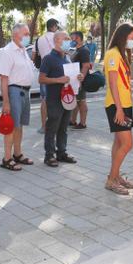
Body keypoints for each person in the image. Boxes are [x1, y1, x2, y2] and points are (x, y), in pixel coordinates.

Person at [103, 23, 133, 195]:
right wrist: (118, 109)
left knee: (119, 142)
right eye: (132, 37)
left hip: (124, 105)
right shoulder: (113, 54)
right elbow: (112, 83)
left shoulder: (122, 54)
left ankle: (115, 176)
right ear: (123, 36)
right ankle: (111, 180)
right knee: (127, 144)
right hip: (117, 106)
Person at [39, 30, 82, 167]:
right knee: (52, 127)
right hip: (54, 99)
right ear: (57, 40)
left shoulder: (67, 57)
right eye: (66, 38)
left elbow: (72, 77)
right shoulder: (48, 58)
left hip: (67, 98)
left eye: (69, 38)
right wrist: (58, 80)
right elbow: (41, 79)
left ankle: (61, 152)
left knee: (63, 127)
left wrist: (79, 77)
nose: (69, 40)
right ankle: (49, 155)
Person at [0, 23, 35, 171]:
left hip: (25, 92)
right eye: (25, 34)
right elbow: (4, 78)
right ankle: (7, 158)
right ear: (15, 34)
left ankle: (17, 154)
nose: (28, 37)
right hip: (14, 91)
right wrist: (5, 101)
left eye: (28, 34)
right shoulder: (8, 51)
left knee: (19, 126)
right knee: (11, 126)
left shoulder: (23, 50)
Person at [34, 18, 60, 134]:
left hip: (44, 70)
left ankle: (44, 126)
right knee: (59, 98)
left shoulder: (39, 39)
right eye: (57, 27)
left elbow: (34, 56)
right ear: (54, 26)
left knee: (44, 99)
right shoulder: (58, 37)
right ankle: (58, 125)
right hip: (58, 70)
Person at [69, 31, 92, 130]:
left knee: (81, 101)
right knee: (76, 101)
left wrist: (81, 77)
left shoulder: (84, 50)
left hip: (80, 80)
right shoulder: (77, 50)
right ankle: (72, 121)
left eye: (72, 38)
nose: (71, 40)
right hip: (75, 79)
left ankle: (83, 123)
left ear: (78, 38)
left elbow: (86, 65)